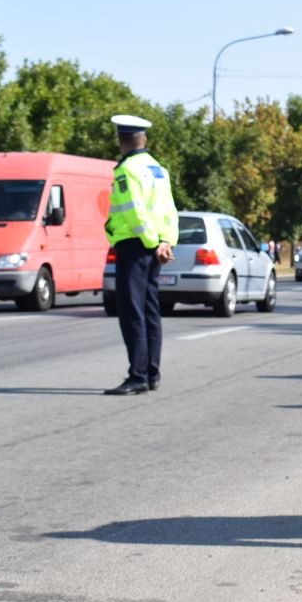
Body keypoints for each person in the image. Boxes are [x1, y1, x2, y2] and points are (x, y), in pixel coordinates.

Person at [104, 114, 179, 395]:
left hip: (135, 247)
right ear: (143, 139)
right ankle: (152, 373)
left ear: (121, 140)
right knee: (150, 311)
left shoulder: (127, 171)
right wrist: (165, 242)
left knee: (132, 312)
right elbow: (170, 212)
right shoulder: (159, 170)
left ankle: (137, 375)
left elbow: (134, 211)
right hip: (155, 249)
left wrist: (150, 241)